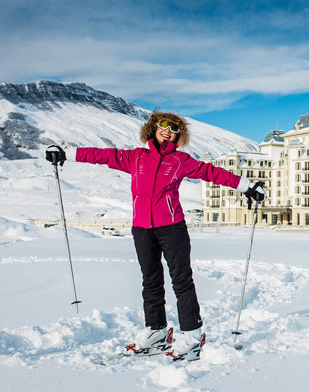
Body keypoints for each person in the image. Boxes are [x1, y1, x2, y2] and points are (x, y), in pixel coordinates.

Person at [45, 111, 265, 361]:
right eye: (163, 125)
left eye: (174, 129)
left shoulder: (181, 160)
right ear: (153, 128)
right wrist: (66, 153)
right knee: (150, 280)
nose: (167, 130)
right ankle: (157, 332)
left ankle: (192, 334)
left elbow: (211, 173)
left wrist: (248, 187)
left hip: (172, 227)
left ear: (178, 135)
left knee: (181, 280)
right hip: (141, 228)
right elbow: (103, 156)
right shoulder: (135, 157)